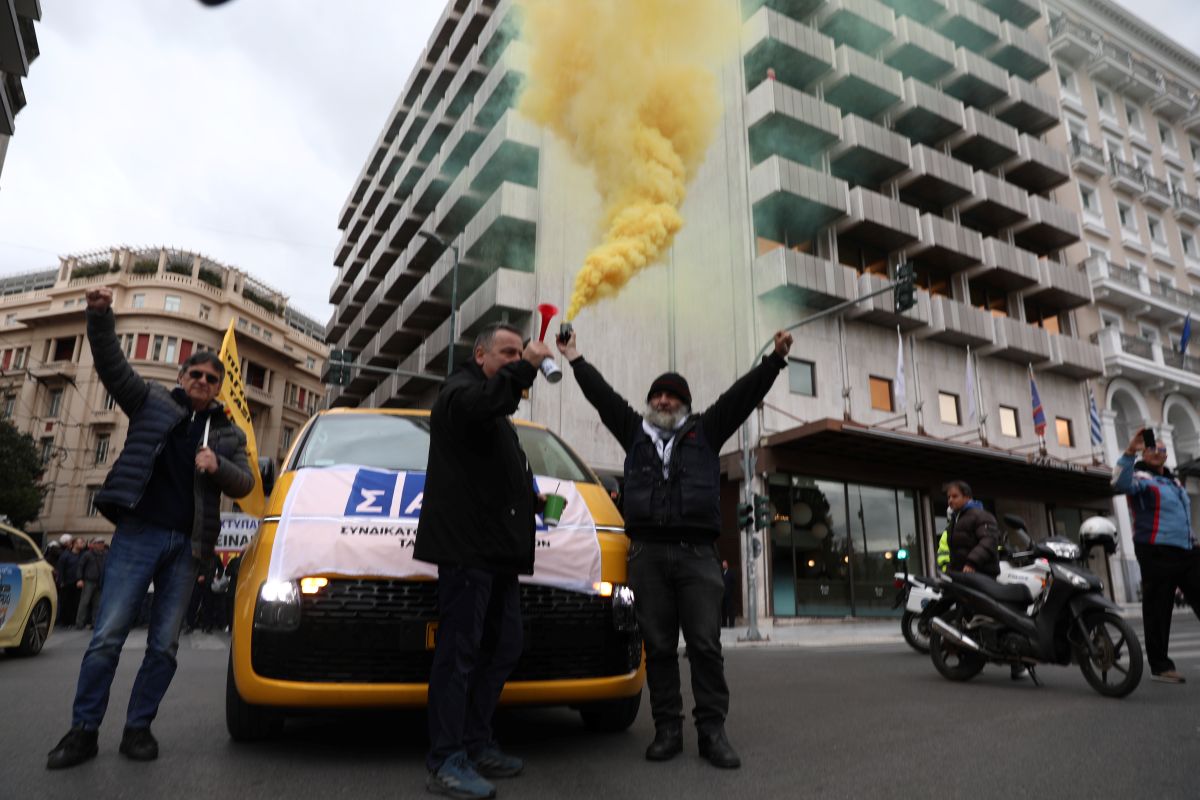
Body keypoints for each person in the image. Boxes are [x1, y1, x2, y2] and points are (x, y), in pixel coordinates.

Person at [557, 328, 794, 769]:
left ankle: (712, 732)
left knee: (705, 645)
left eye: (672, 396)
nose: (663, 401)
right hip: (646, 554)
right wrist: (574, 357)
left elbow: (742, 396)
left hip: (697, 553)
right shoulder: (634, 431)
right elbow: (601, 396)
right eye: (658, 395)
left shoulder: (706, 430)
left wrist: (775, 360)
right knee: (659, 647)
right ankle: (667, 729)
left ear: (684, 403)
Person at [47, 286, 254, 770]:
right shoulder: (152, 402)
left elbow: (245, 482)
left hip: (188, 548)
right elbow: (112, 366)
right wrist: (100, 317)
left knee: (164, 645)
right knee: (107, 636)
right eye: (195, 374)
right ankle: (83, 731)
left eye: (212, 378)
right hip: (138, 535)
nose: (203, 381)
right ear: (182, 378)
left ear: (219, 388)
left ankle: (138, 728)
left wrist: (218, 465)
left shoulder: (228, 433)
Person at [414, 322, 553, 800]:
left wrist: (531, 500)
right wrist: (526, 368)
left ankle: (475, 742)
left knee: (504, 646)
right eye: (507, 352)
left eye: (520, 352)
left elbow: (490, 471)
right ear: (480, 356)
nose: (516, 358)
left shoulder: (495, 410)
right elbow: (484, 404)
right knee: (460, 653)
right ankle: (445, 759)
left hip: (497, 554)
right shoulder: (459, 393)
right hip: (467, 551)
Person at [1114, 429, 1200, 684]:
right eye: (1151, 448)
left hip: (1187, 549)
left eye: (1161, 449)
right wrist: (1130, 451)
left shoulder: (1174, 482)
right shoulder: (1139, 477)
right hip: (1156, 551)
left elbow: (1184, 517)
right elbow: (1119, 484)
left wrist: (1194, 541)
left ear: (1166, 455)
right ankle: (1160, 666)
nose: (1156, 452)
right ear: (1144, 452)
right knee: (1158, 608)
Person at [75, 539, 108, 628]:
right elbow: (80, 566)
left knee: (97, 603)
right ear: (94, 544)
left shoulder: (105, 554)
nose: (101, 545)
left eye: (102, 543)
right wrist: (79, 579)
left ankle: (95, 623)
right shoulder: (87, 554)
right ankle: (79, 623)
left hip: (99, 581)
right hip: (88, 581)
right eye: (99, 543)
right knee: (84, 602)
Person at [56, 538, 85, 629]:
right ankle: (65, 622)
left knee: (76, 602)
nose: (82, 544)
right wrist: (61, 581)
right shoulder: (66, 555)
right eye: (80, 542)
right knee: (66, 602)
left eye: (82, 542)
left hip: (78, 582)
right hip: (67, 582)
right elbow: (60, 569)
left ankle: (73, 621)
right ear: (74, 544)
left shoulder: (82, 555)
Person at [720, 560, 736, 628]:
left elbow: (733, 582)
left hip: (729, 595)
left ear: (727, 565)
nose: (724, 565)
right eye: (723, 564)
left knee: (730, 610)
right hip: (723, 595)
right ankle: (724, 623)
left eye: (725, 564)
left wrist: (731, 591)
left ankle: (731, 624)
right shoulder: (721, 572)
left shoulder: (731, 572)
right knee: (723, 610)